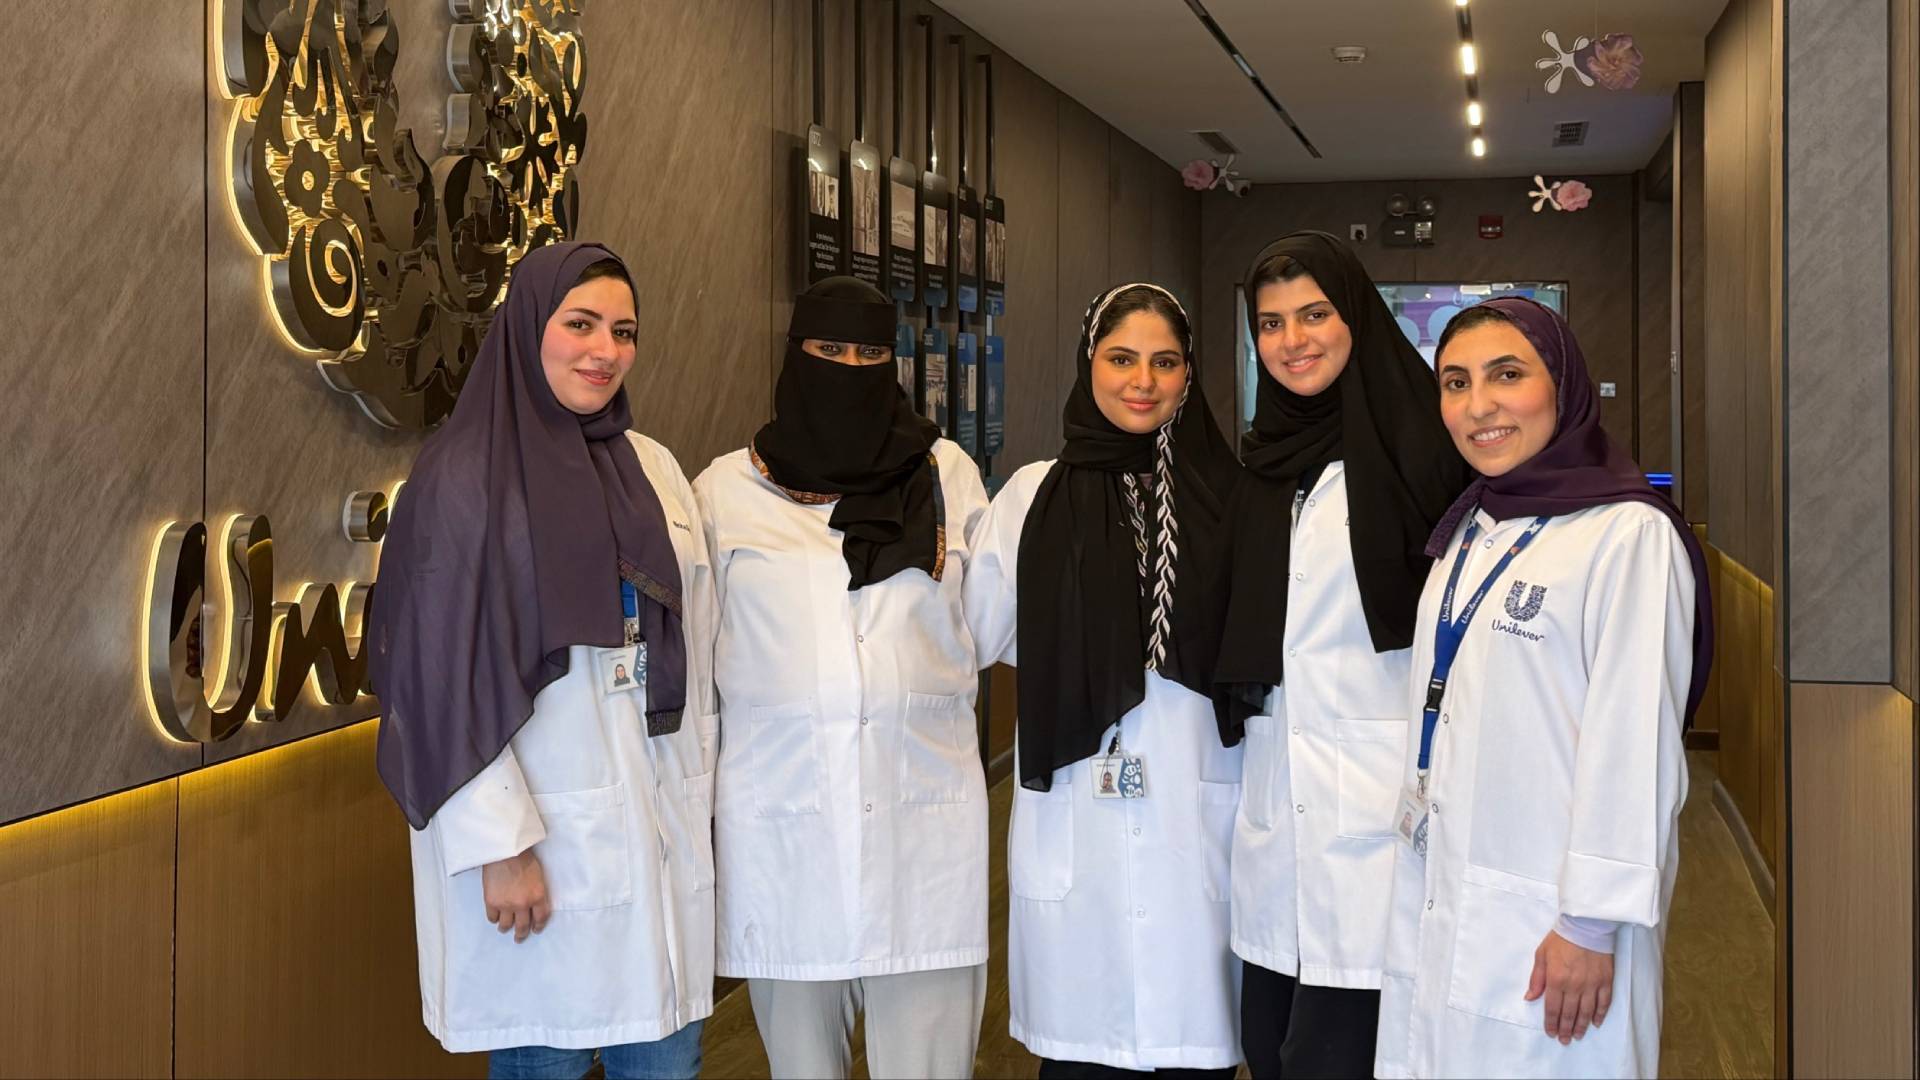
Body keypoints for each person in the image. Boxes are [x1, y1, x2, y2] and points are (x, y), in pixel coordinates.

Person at [368, 242, 718, 1080]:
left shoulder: (654, 468)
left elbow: (697, 649)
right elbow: (435, 676)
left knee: (667, 1056)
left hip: (660, 830)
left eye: (624, 331)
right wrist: (500, 847)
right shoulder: (462, 480)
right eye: (581, 324)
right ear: (529, 328)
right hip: (539, 856)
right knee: (544, 1057)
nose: (605, 351)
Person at [1373, 297, 1713, 1080]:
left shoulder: (1628, 535)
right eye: (1455, 382)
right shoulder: (1470, 525)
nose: (1478, 405)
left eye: (1507, 375)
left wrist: (1591, 925)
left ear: (1563, 387)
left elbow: (1635, 746)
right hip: (1451, 877)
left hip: (1552, 911)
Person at [693, 277, 991, 1079]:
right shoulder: (723, 492)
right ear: (795, 357)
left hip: (922, 825)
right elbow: (694, 669)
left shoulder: (945, 473)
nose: (849, 367)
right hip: (785, 826)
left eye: (869, 353)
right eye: (829, 350)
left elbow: (990, 625)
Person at [965, 282, 1246, 1077]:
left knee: (1199, 1048)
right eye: (1121, 358)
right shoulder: (1032, 495)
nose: (1143, 381)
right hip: (1079, 817)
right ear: (1088, 362)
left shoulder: (1229, 500)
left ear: (1190, 374)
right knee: (1082, 1058)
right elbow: (982, 635)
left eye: (1165, 362)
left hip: (1202, 814)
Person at [1214, 232, 1470, 1079]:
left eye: (1316, 314)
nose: (1294, 341)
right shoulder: (1257, 469)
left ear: (1355, 314)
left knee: (1351, 1055)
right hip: (1275, 818)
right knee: (1270, 1049)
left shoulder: (1428, 455)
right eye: (1272, 322)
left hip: (1382, 819)